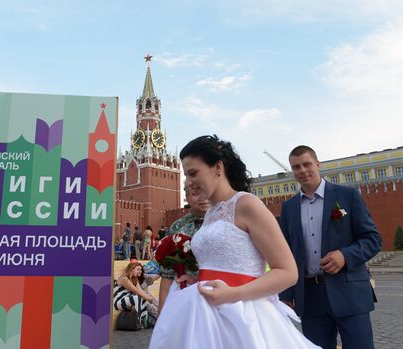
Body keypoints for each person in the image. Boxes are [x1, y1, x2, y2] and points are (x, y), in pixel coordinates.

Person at [150, 135, 318, 348]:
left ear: (217, 167)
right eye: (185, 175)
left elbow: (287, 272)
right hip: (203, 312)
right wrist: (199, 280)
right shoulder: (211, 214)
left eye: (193, 173)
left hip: (242, 314)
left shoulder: (247, 204)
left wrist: (233, 293)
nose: (188, 183)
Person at [279, 145, 382, 349]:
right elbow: (287, 253)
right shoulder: (289, 208)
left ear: (318, 165)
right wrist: (287, 294)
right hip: (310, 298)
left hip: (349, 291)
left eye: (307, 164)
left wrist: (345, 255)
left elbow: (373, 239)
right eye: (296, 167)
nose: (303, 171)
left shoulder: (347, 196)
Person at [157, 184, 210, 315]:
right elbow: (167, 274)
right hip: (186, 299)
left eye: (206, 192)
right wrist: (161, 311)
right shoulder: (178, 227)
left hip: (222, 297)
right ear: (187, 198)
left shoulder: (230, 222)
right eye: (195, 194)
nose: (203, 198)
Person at [113, 262, 156, 328]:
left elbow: (141, 291)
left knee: (144, 299)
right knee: (137, 297)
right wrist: (148, 298)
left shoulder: (134, 280)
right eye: (138, 269)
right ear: (131, 269)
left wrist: (151, 299)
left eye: (141, 269)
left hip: (129, 300)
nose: (140, 271)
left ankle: (145, 321)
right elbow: (136, 291)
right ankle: (137, 321)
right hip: (119, 302)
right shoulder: (124, 278)